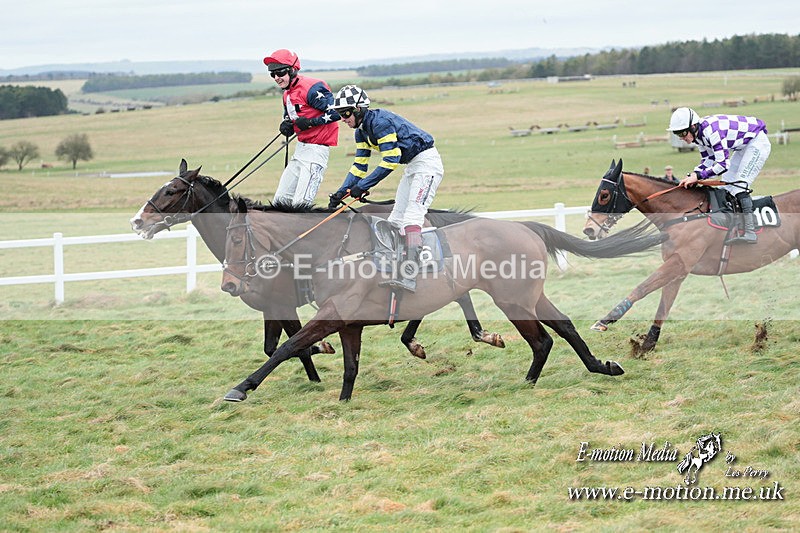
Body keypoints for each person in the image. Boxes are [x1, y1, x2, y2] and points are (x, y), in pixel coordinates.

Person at [327, 84, 444, 292]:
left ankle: (410, 274)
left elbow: (391, 159)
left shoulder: (380, 122)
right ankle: (397, 267)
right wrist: (342, 191)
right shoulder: (360, 133)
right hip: (412, 167)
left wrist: (361, 187)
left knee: (411, 217)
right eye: (339, 114)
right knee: (395, 220)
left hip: (427, 164)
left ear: (359, 109)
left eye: (345, 113)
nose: (343, 119)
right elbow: (359, 166)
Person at [669, 107, 771, 244]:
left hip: (757, 142)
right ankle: (734, 226)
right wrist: (693, 174)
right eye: (677, 134)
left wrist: (698, 176)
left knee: (740, 185)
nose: (681, 138)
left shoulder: (712, 131)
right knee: (727, 186)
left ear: (693, 127)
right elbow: (708, 160)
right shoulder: (698, 137)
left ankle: (750, 231)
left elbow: (722, 165)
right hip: (743, 147)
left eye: (682, 133)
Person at [263, 49, 340, 205]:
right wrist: (287, 125)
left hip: (316, 152)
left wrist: (311, 123)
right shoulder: (287, 94)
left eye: (280, 73)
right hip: (300, 151)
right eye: (273, 74)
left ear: (292, 70)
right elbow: (292, 117)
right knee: (280, 202)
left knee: (300, 206)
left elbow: (339, 112)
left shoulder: (312, 88)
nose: (277, 78)